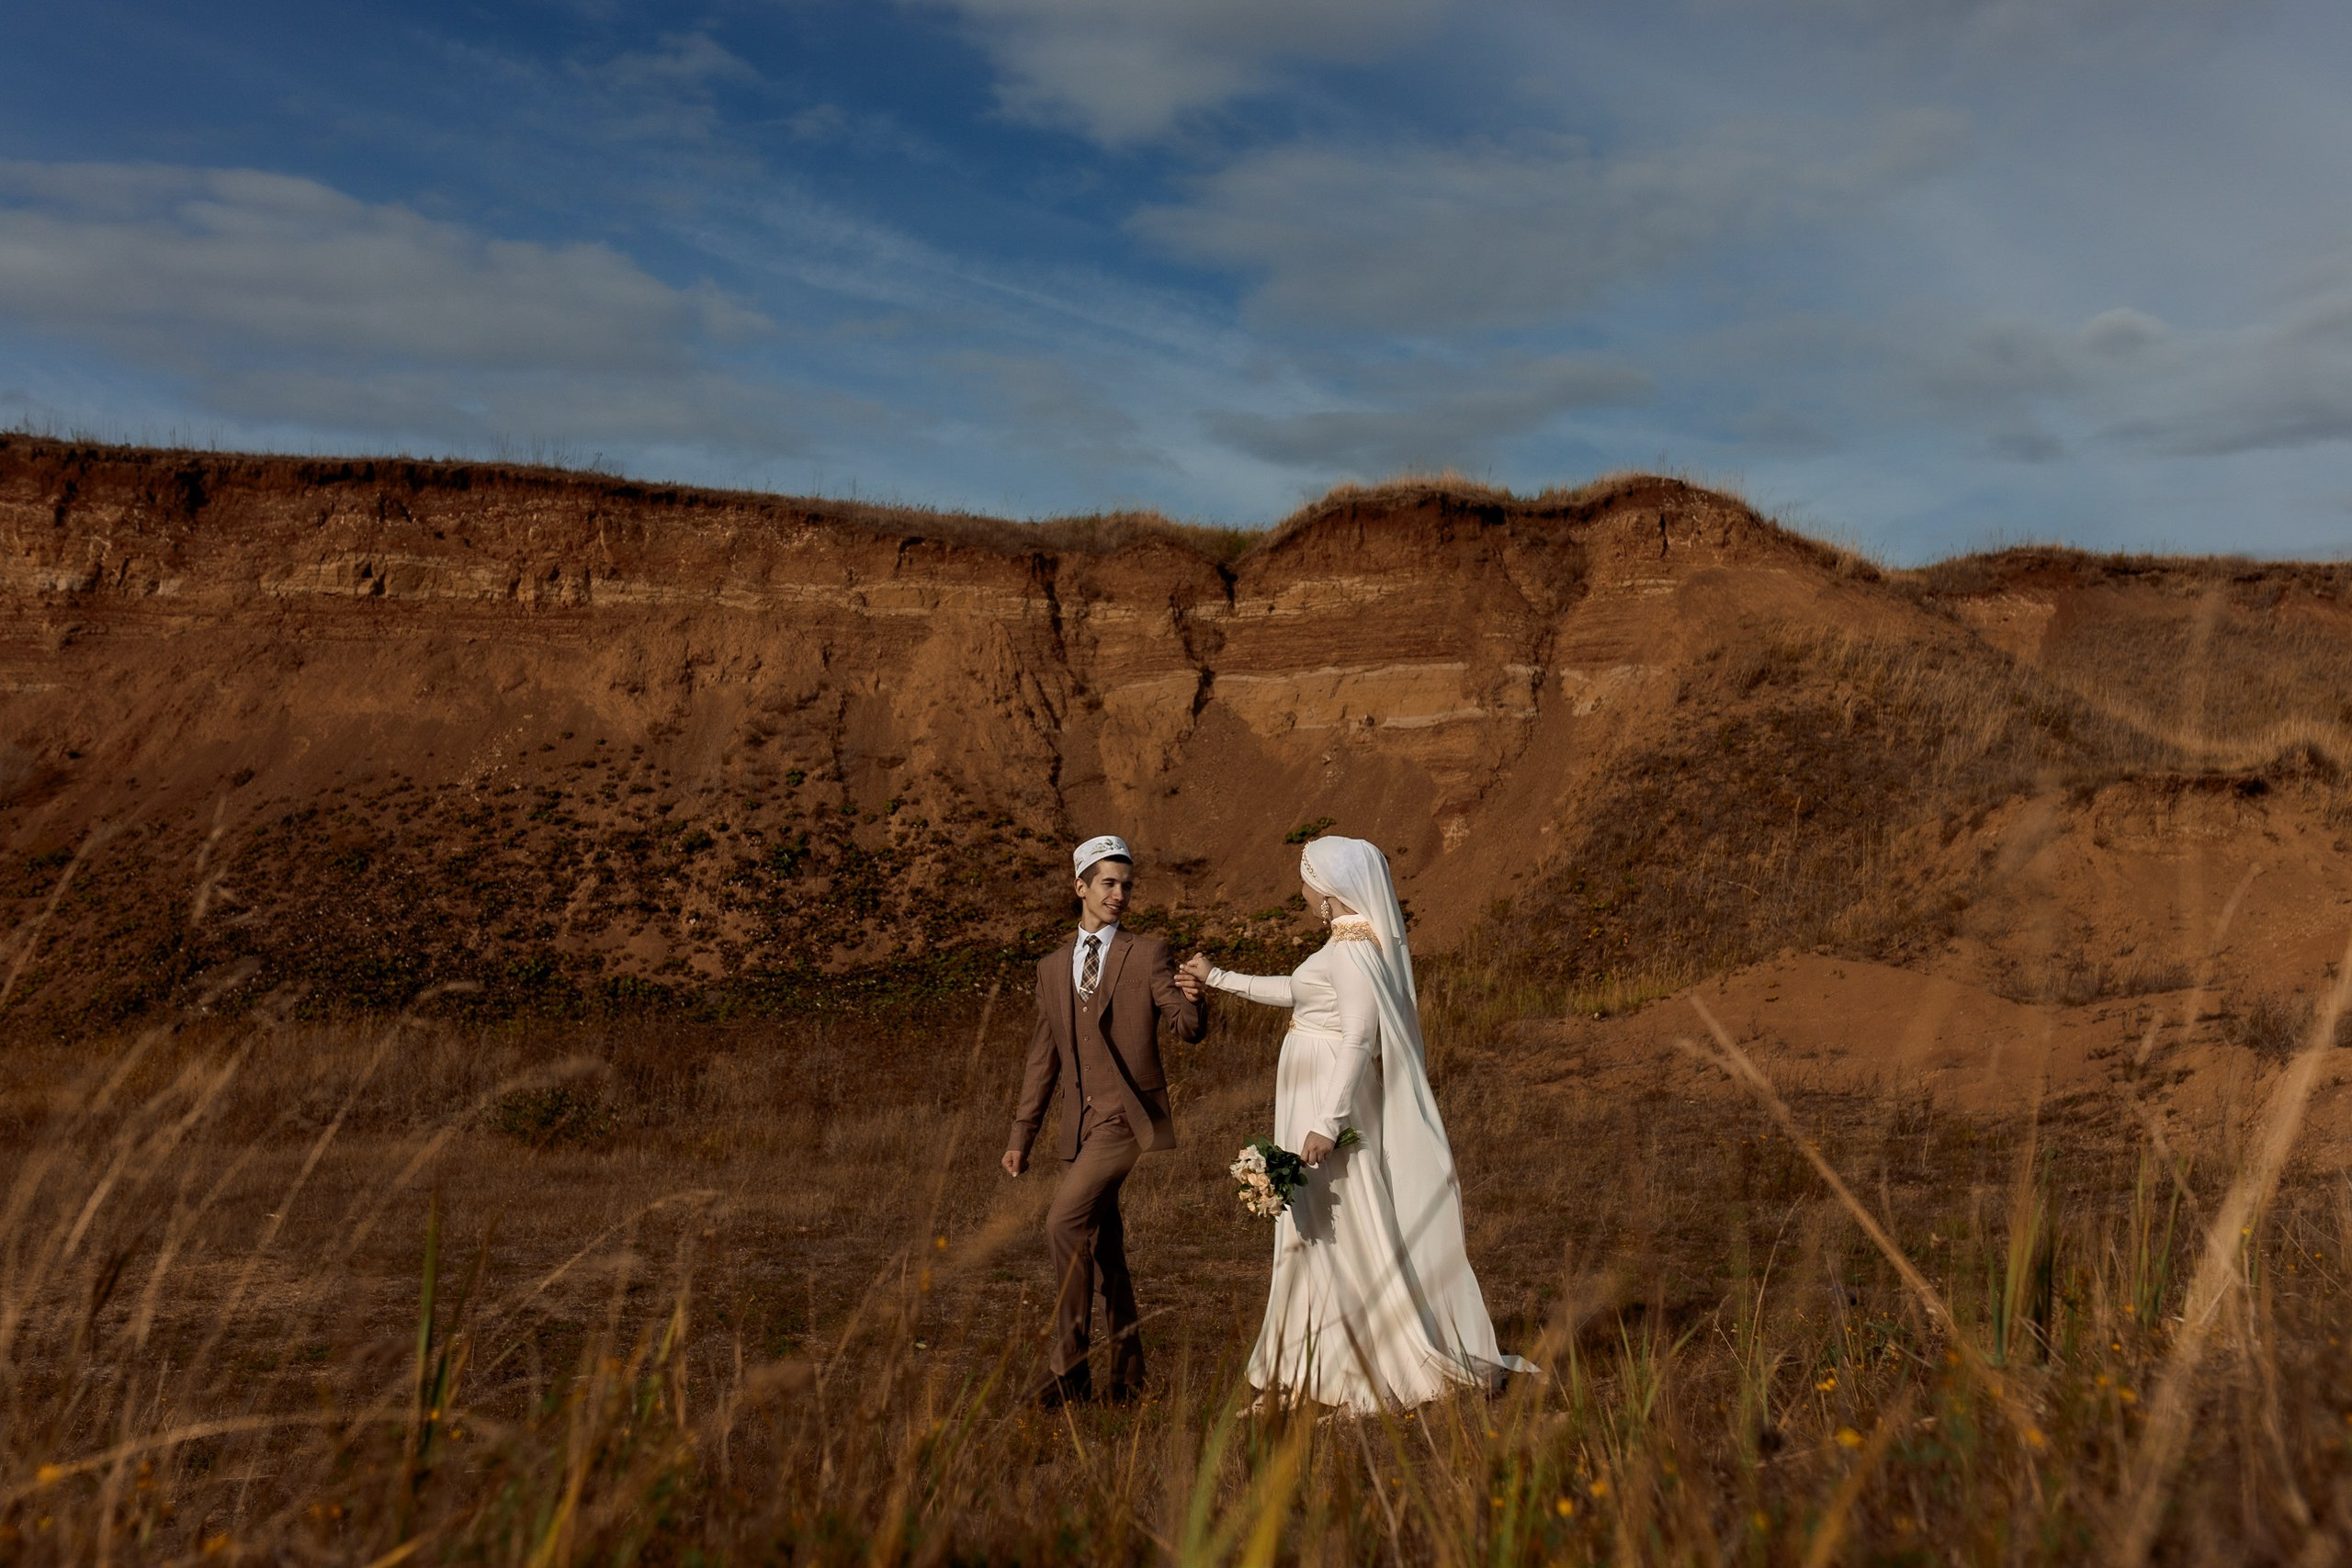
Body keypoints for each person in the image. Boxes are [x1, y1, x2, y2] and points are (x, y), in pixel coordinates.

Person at [1180, 835, 1535, 1414]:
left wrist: (1326, 1121)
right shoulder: (1345, 945)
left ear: (1325, 890)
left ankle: (1360, 1372)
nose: (1299, 887)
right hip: (1312, 1091)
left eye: (1304, 877)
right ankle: (1301, 1368)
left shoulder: (1351, 951)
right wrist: (1218, 977)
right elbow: (1297, 995)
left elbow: (1358, 1038)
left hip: (1325, 1097)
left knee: (1338, 1225)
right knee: (1307, 1228)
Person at [1003, 834, 1207, 1407]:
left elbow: (1186, 1028)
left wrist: (1196, 996)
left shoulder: (1146, 954)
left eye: (1126, 886)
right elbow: (1042, 1059)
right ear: (1082, 888)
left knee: (1061, 1224)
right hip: (1079, 1125)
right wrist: (1022, 1137)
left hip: (1125, 1122)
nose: (1119, 895)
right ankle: (1128, 1378)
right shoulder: (1050, 969)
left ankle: (1066, 1373)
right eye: (1109, 884)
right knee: (1102, 1249)